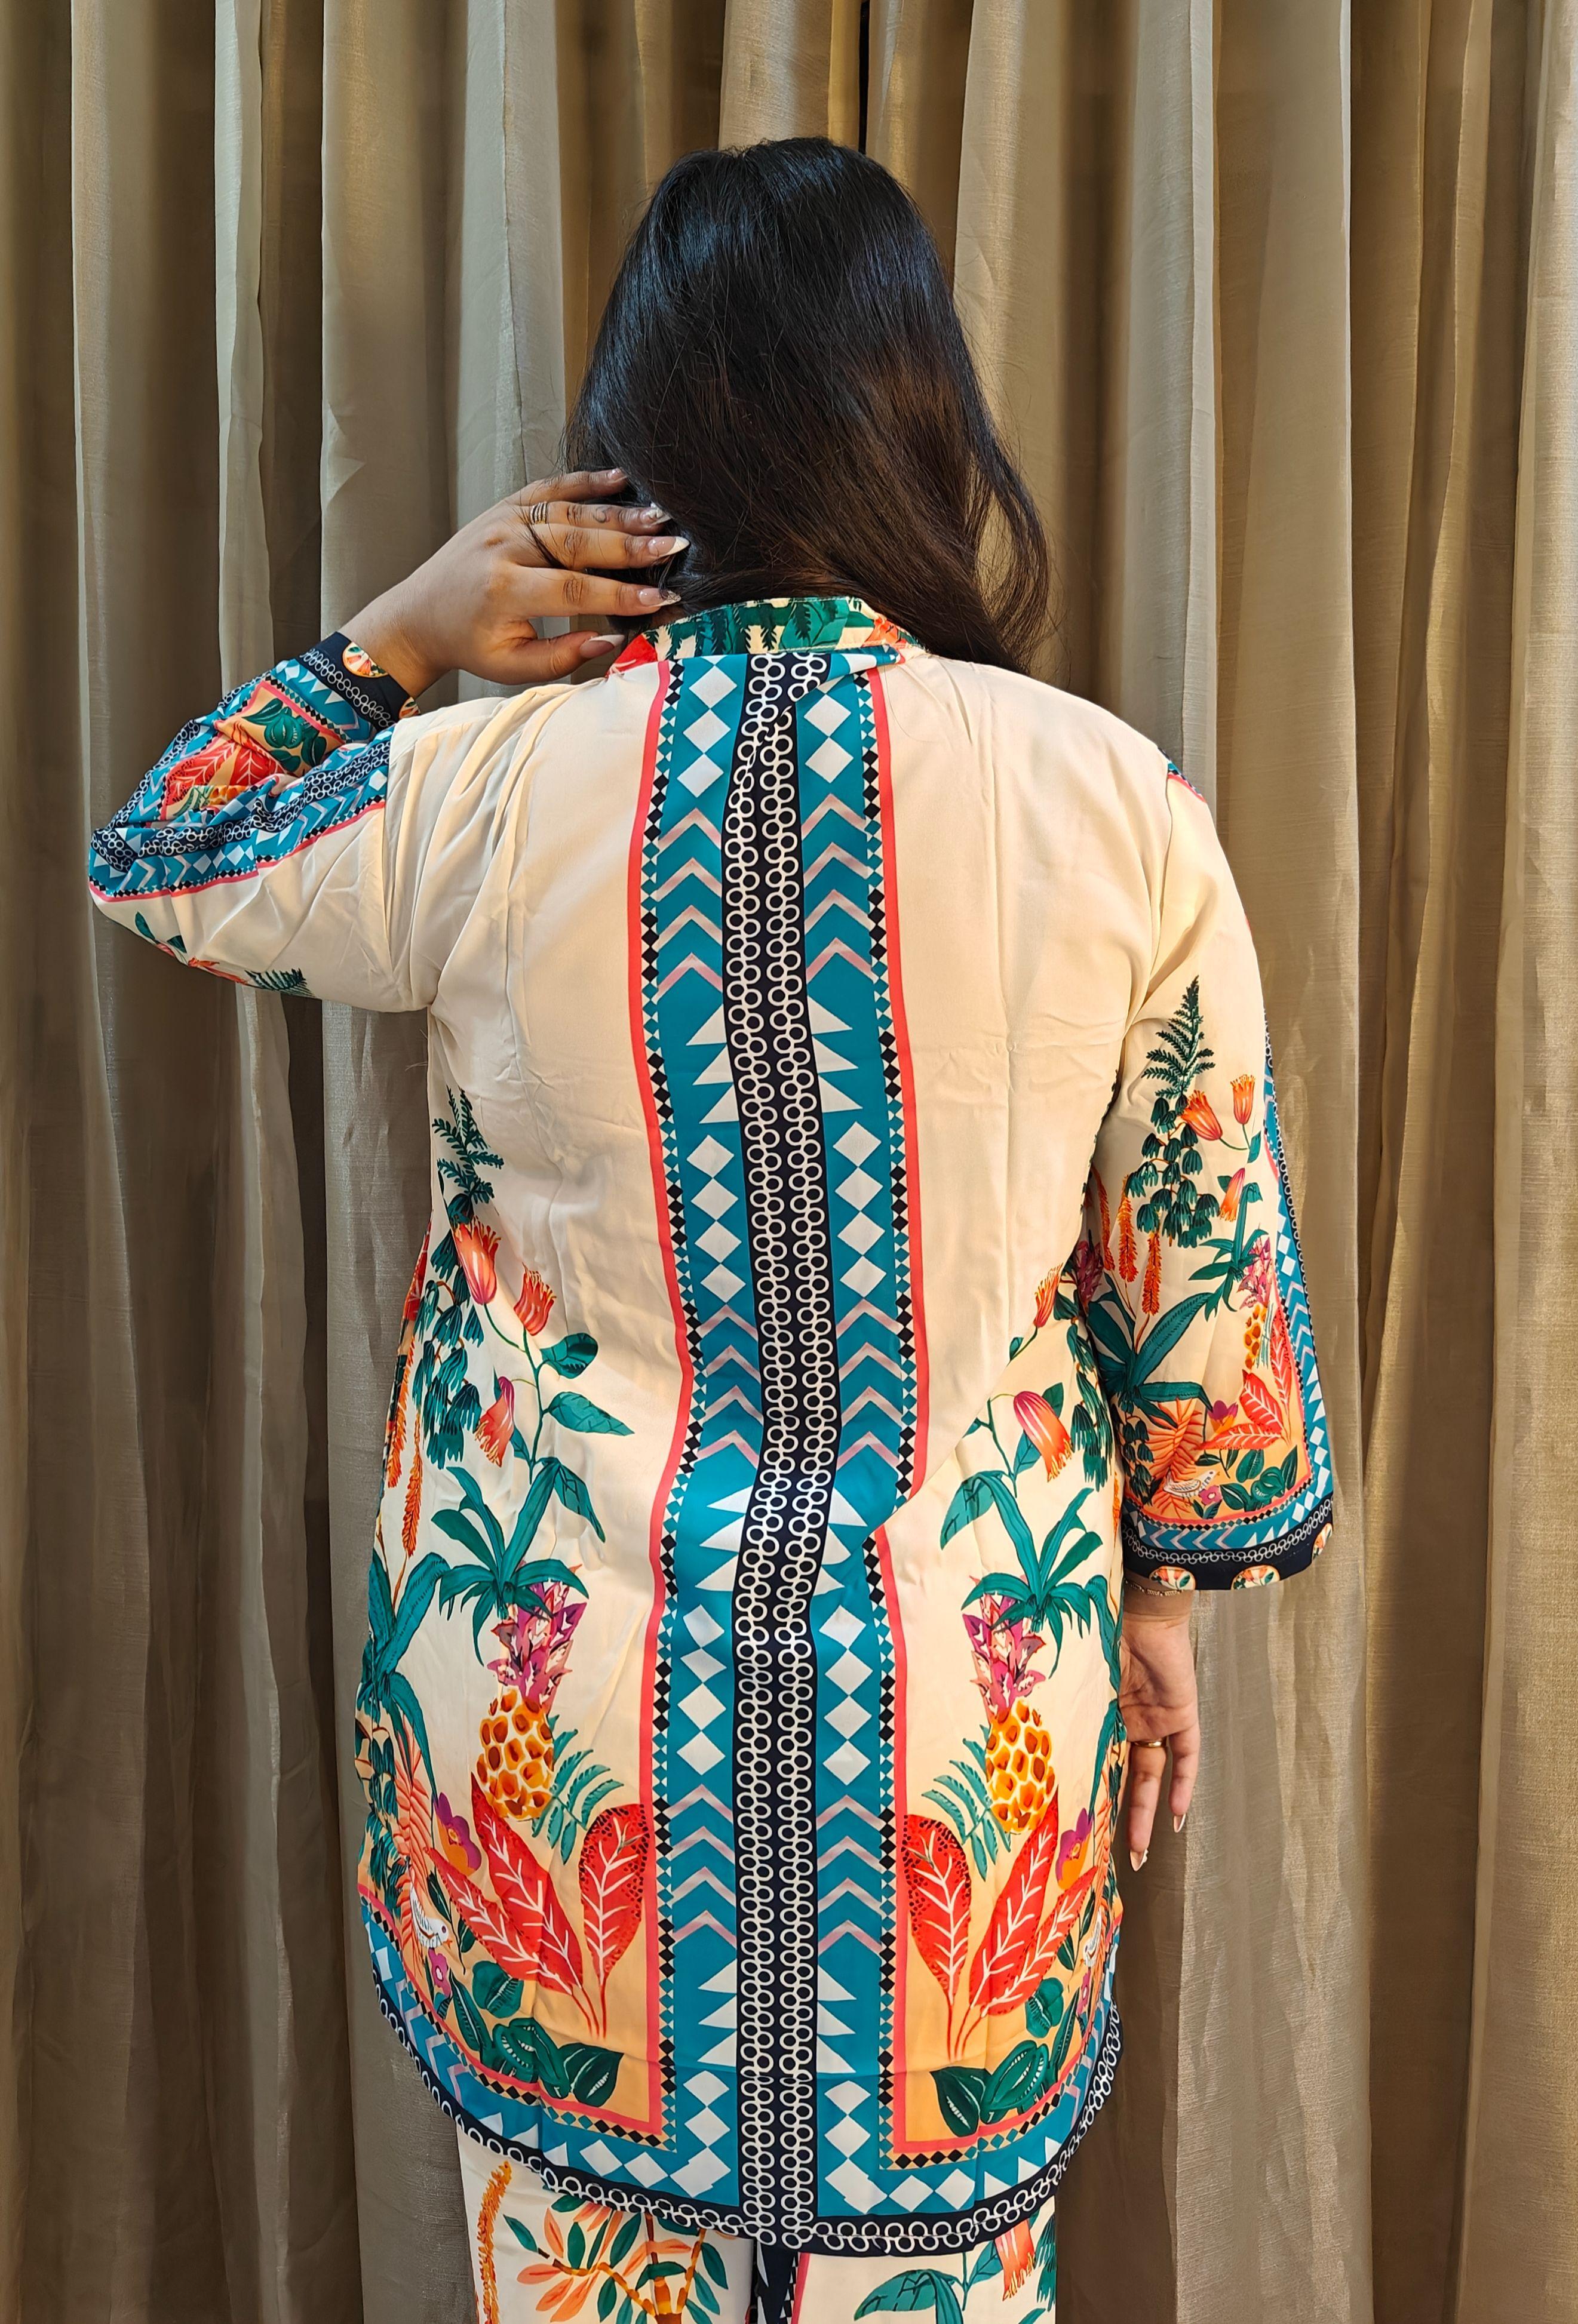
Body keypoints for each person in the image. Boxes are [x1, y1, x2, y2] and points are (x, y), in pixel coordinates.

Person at [88, 139, 1331, 2324]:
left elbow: (169, 856)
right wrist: (1161, 1597)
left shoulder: (486, 786)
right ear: (924, 421)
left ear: (631, 448)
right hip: (962, 1740)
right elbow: (1197, 1289)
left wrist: (397, 638)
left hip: (557, 1758)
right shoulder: (1112, 806)